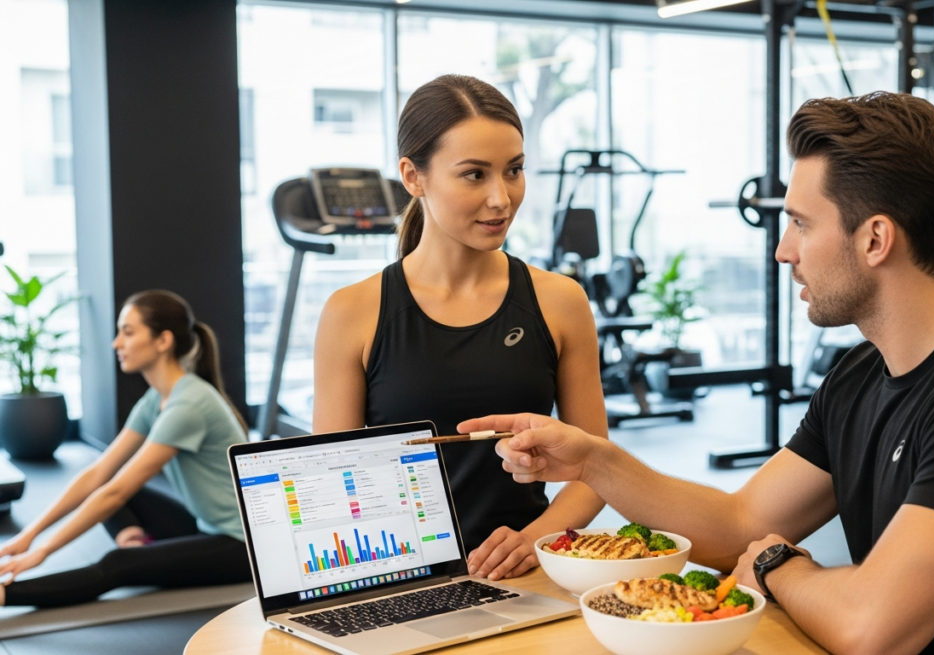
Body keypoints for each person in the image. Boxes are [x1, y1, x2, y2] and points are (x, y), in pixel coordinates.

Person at [462, 92, 934, 654]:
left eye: (801, 223)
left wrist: (778, 564)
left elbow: (871, 627)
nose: (783, 249)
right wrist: (594, 462)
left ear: (876, 239)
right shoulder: (861, 374)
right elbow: (740, 522)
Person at [313, 74, 608, 582]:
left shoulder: (560, 301)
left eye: (513, 171)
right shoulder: (352, 312)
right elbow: (336, 483)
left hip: (525, 574)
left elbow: (598, 470)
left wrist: (535, 540)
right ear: (414, 176)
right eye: (474, 174)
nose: (501, 198)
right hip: (401, 578)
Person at [0, 290, 252, 608]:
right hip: (205, 524)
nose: (116, 343)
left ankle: (5, 594)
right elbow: (98, 474)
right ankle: (136, 539)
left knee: (119, 564)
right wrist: (29, 534)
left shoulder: (189, 404)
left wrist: (43, 551)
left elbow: (116, 493)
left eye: (128, 332)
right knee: (105, 489)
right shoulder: (158, 398)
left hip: (243, 546)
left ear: (163, 341)